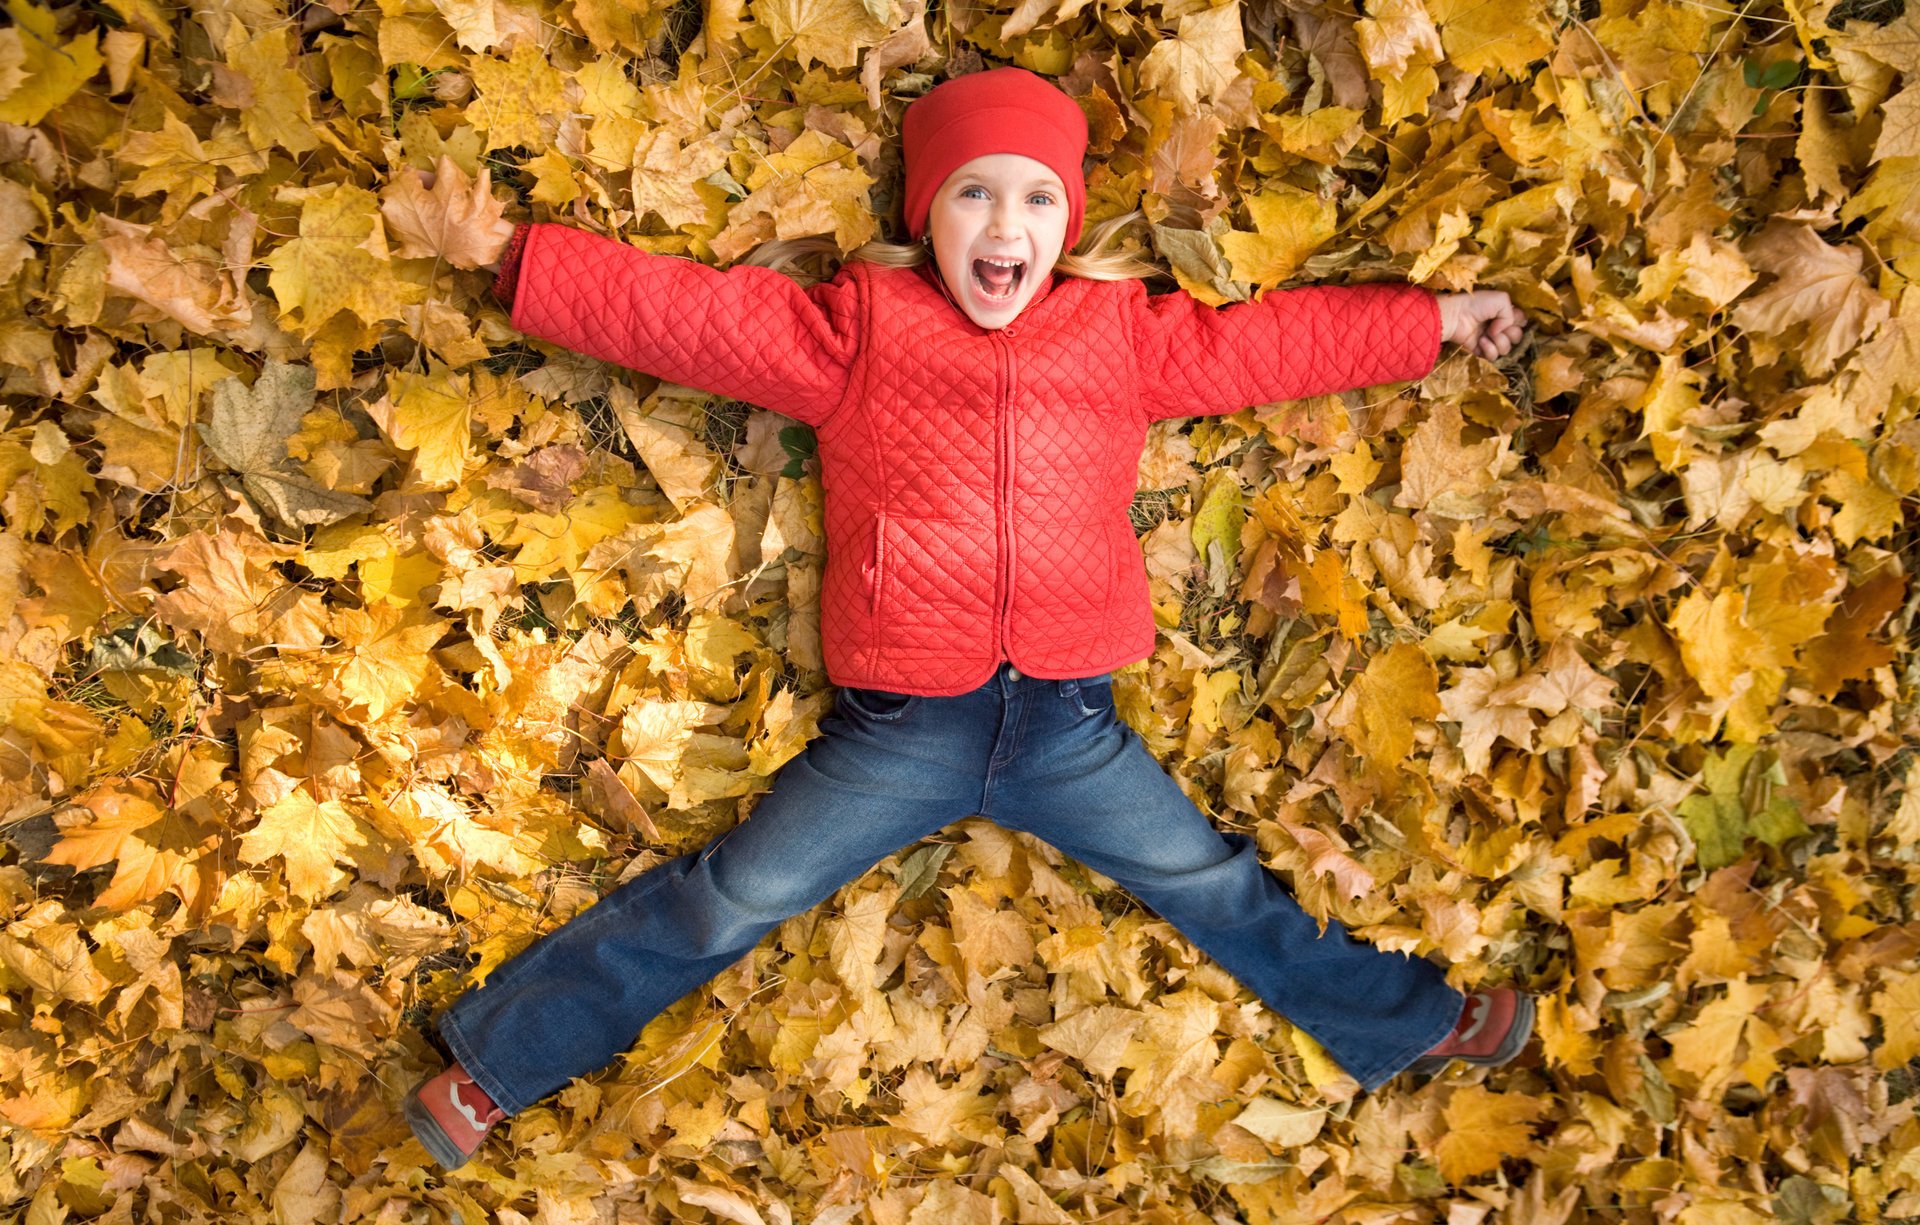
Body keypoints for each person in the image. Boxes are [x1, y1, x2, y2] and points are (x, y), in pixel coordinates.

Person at [404, 66, 1533, 1170]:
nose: (1007, 222)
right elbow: (684, 318)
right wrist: (517, 257)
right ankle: (494, 1066)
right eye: (975, 192)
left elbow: (1274, 346)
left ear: (1068, 222)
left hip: (1070, 725)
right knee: (735, 893)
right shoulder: (860, 332)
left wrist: (1435, 318)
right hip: (902, 729)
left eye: (1038, 196)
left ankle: (1406, 1019)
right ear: (928, 215)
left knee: (1215, 885)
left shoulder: (1116, 335)